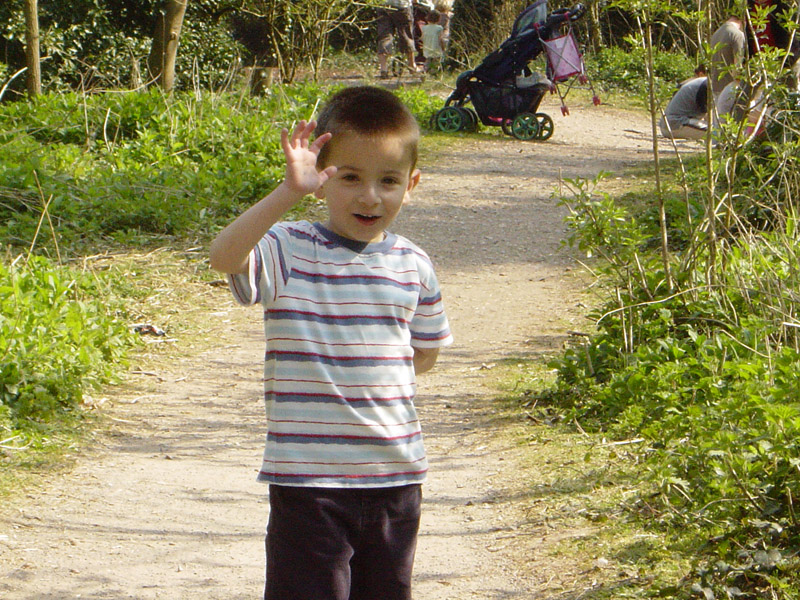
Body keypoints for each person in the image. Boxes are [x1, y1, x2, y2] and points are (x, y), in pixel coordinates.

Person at [209, 86, 453, 600]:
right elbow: (225, 258)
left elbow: (424, 353)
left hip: (395, 476)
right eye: (350, 178)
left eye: (388, 181)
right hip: (308, 481)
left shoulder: (414, 264)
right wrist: (287, 193)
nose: (370, 196)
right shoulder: (288, 249)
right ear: (322, 178)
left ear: (411, 185)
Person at [377, 0, 419, 77]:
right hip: (401, 5)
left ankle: (383, 68)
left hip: (383, 4)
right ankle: (412, 66)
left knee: (384, 36)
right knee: (406, 35)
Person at [708, 17, 746, 98]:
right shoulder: (737, 35)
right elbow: (737, 66)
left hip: (715, 87)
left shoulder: (716, 33)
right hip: (729, 89)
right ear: (742, 21)